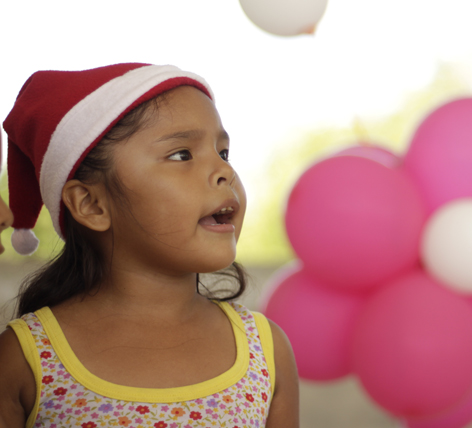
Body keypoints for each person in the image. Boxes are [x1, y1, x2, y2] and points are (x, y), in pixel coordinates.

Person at [0, 63, 299, 428]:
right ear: (91, 205)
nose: (226, 172)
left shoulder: (266, 351)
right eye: (181, 155)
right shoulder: (23, 358)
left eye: (223, 153)